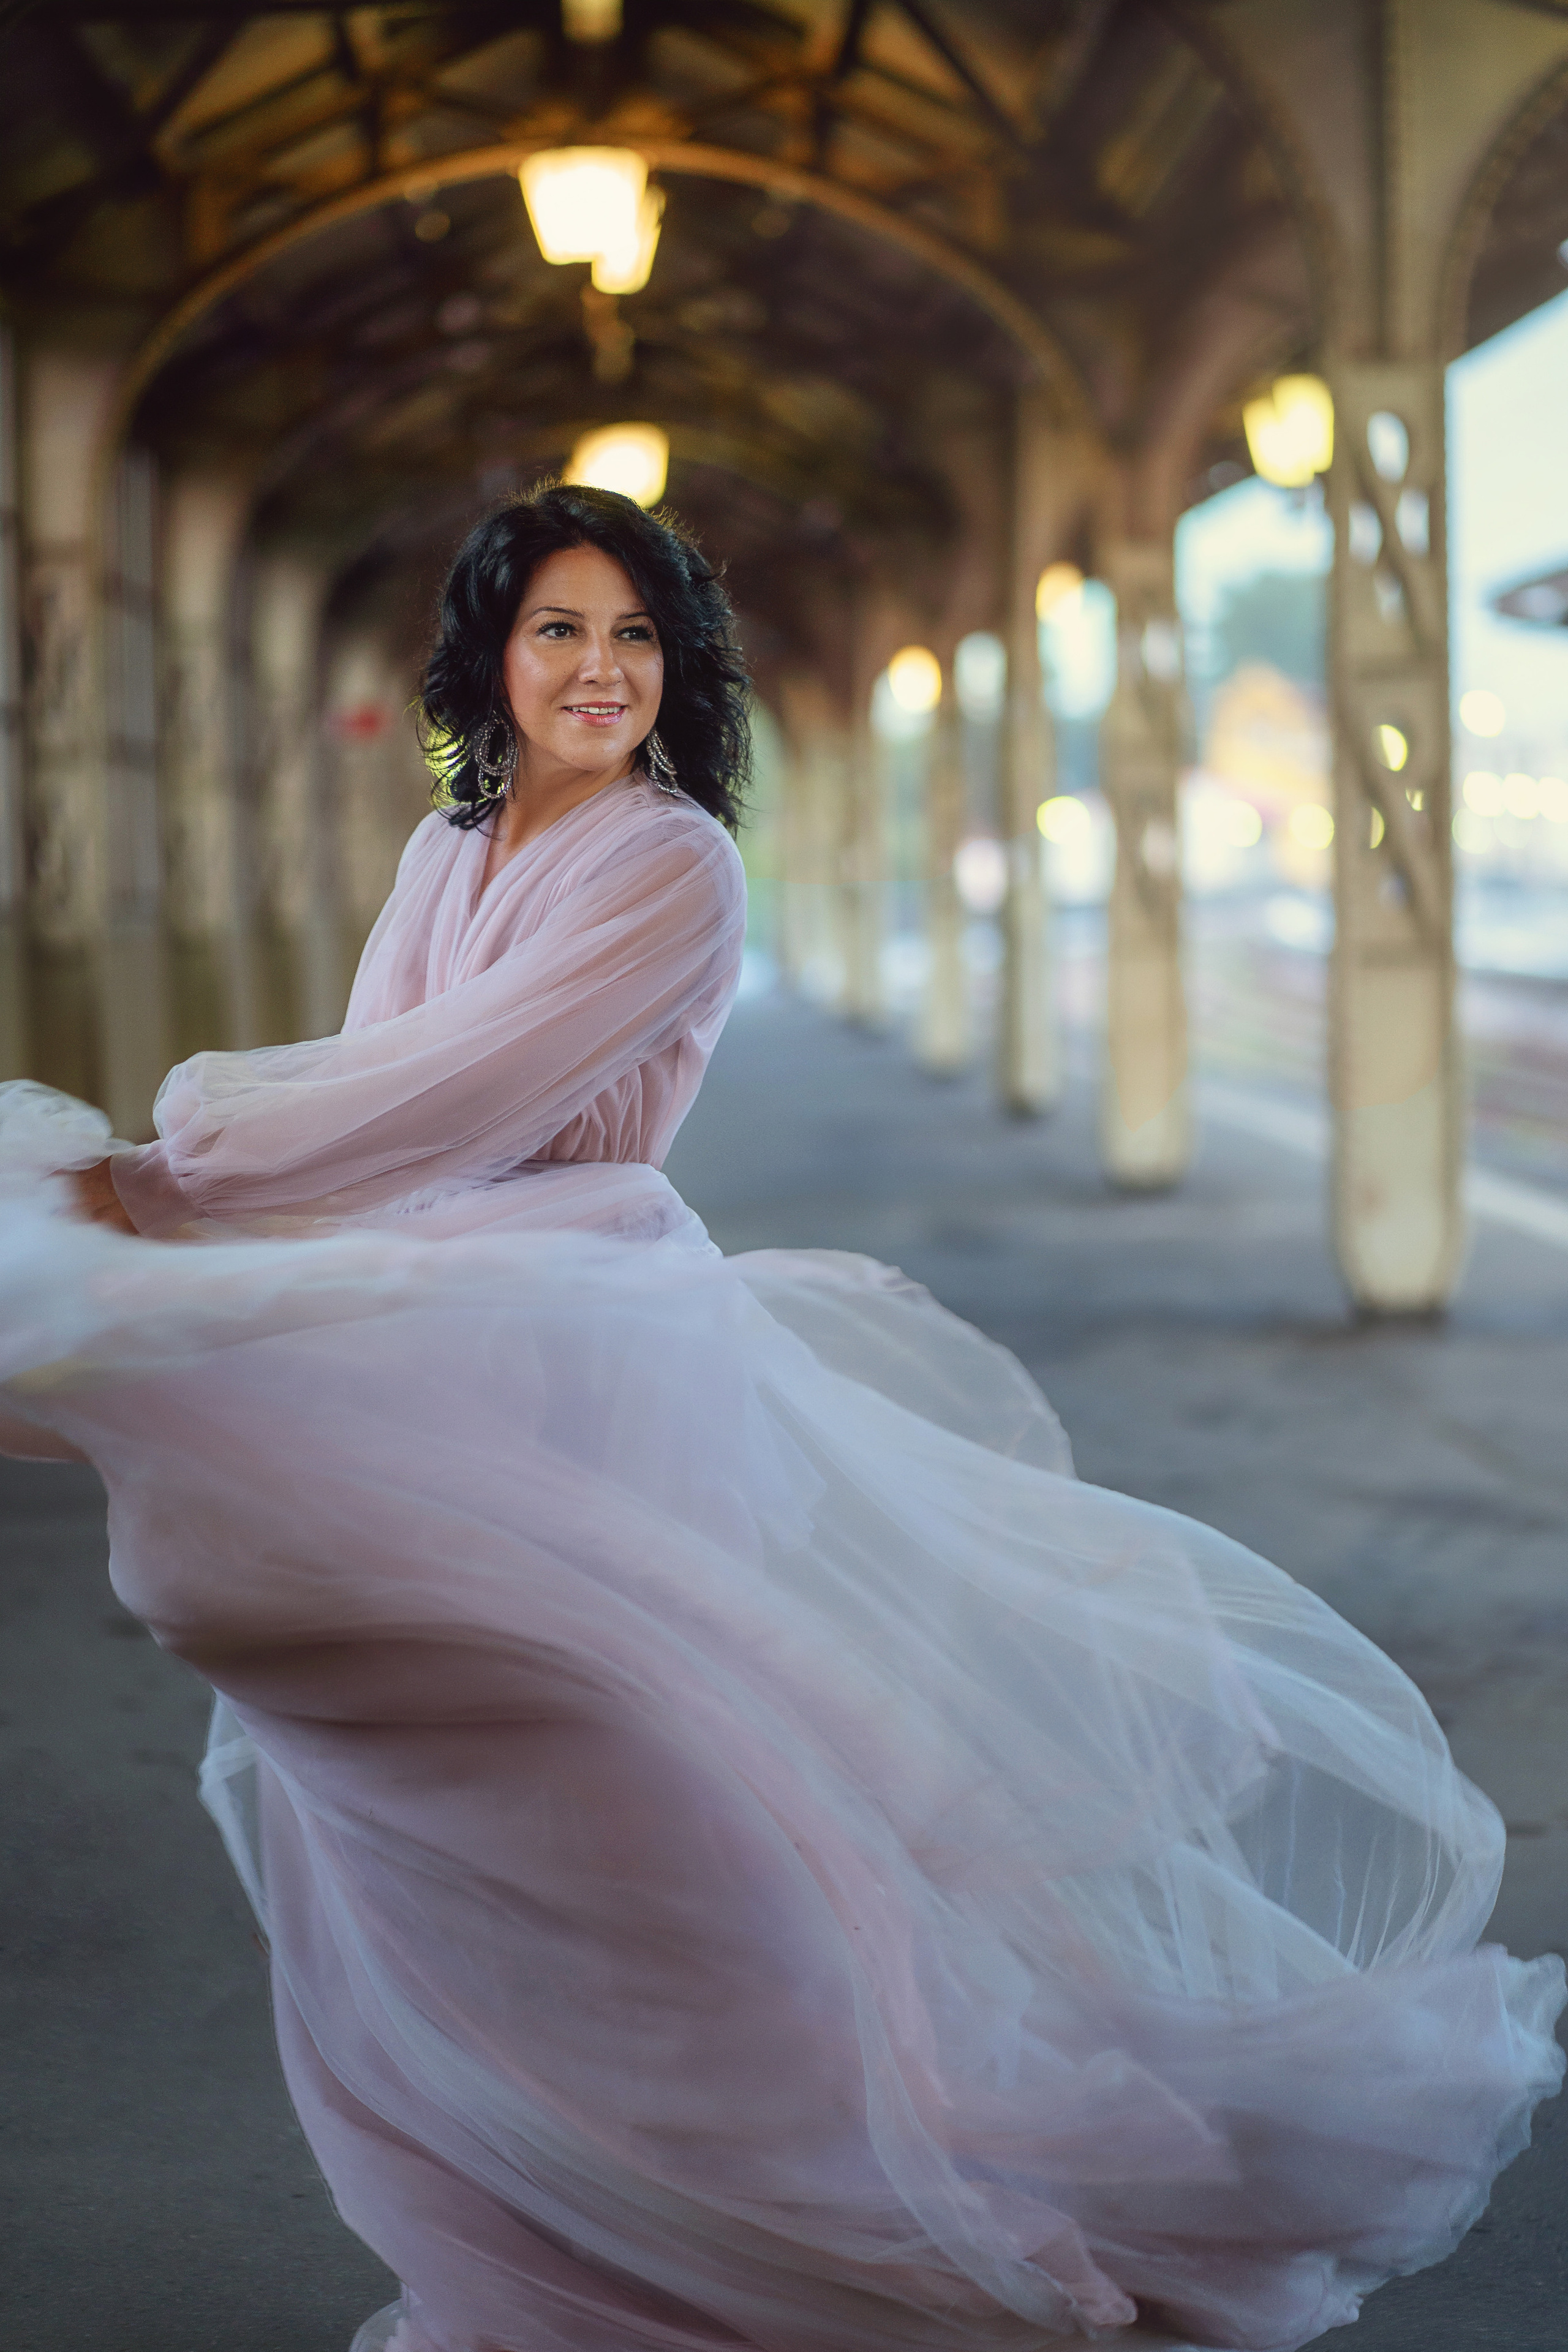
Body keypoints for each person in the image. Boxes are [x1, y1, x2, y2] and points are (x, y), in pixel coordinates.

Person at [1, 481, 1561, 2352]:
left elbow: (456, 1093)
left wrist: (172, 1184)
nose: (599, 670)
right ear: (490, 654)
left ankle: (782, 2217)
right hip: (427, 1322)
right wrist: (195, 1213)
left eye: (637, 634)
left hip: (579, 1342)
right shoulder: (448, 847)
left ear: (682, 666)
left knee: (641, 1807)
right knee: (441, 1820)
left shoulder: (677, 864)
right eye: (561, 629)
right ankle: (536, 2227)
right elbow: (370, 1079)